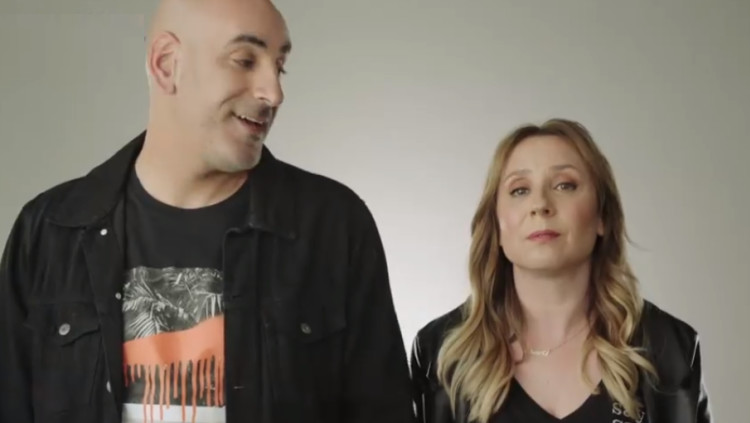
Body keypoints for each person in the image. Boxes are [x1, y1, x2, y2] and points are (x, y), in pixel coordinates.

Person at [0, 0, 415, 422]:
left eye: (280, 67)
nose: (274, 92)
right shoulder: (49, 231)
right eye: (245, 60)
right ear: (167, 64)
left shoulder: (333, 227)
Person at [410, 118, 712, 423]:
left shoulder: (671, 348)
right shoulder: (440, 354)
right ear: (497, 225)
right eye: (519, 190)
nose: (540, 204)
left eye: (564, 185)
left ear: (602, 216)